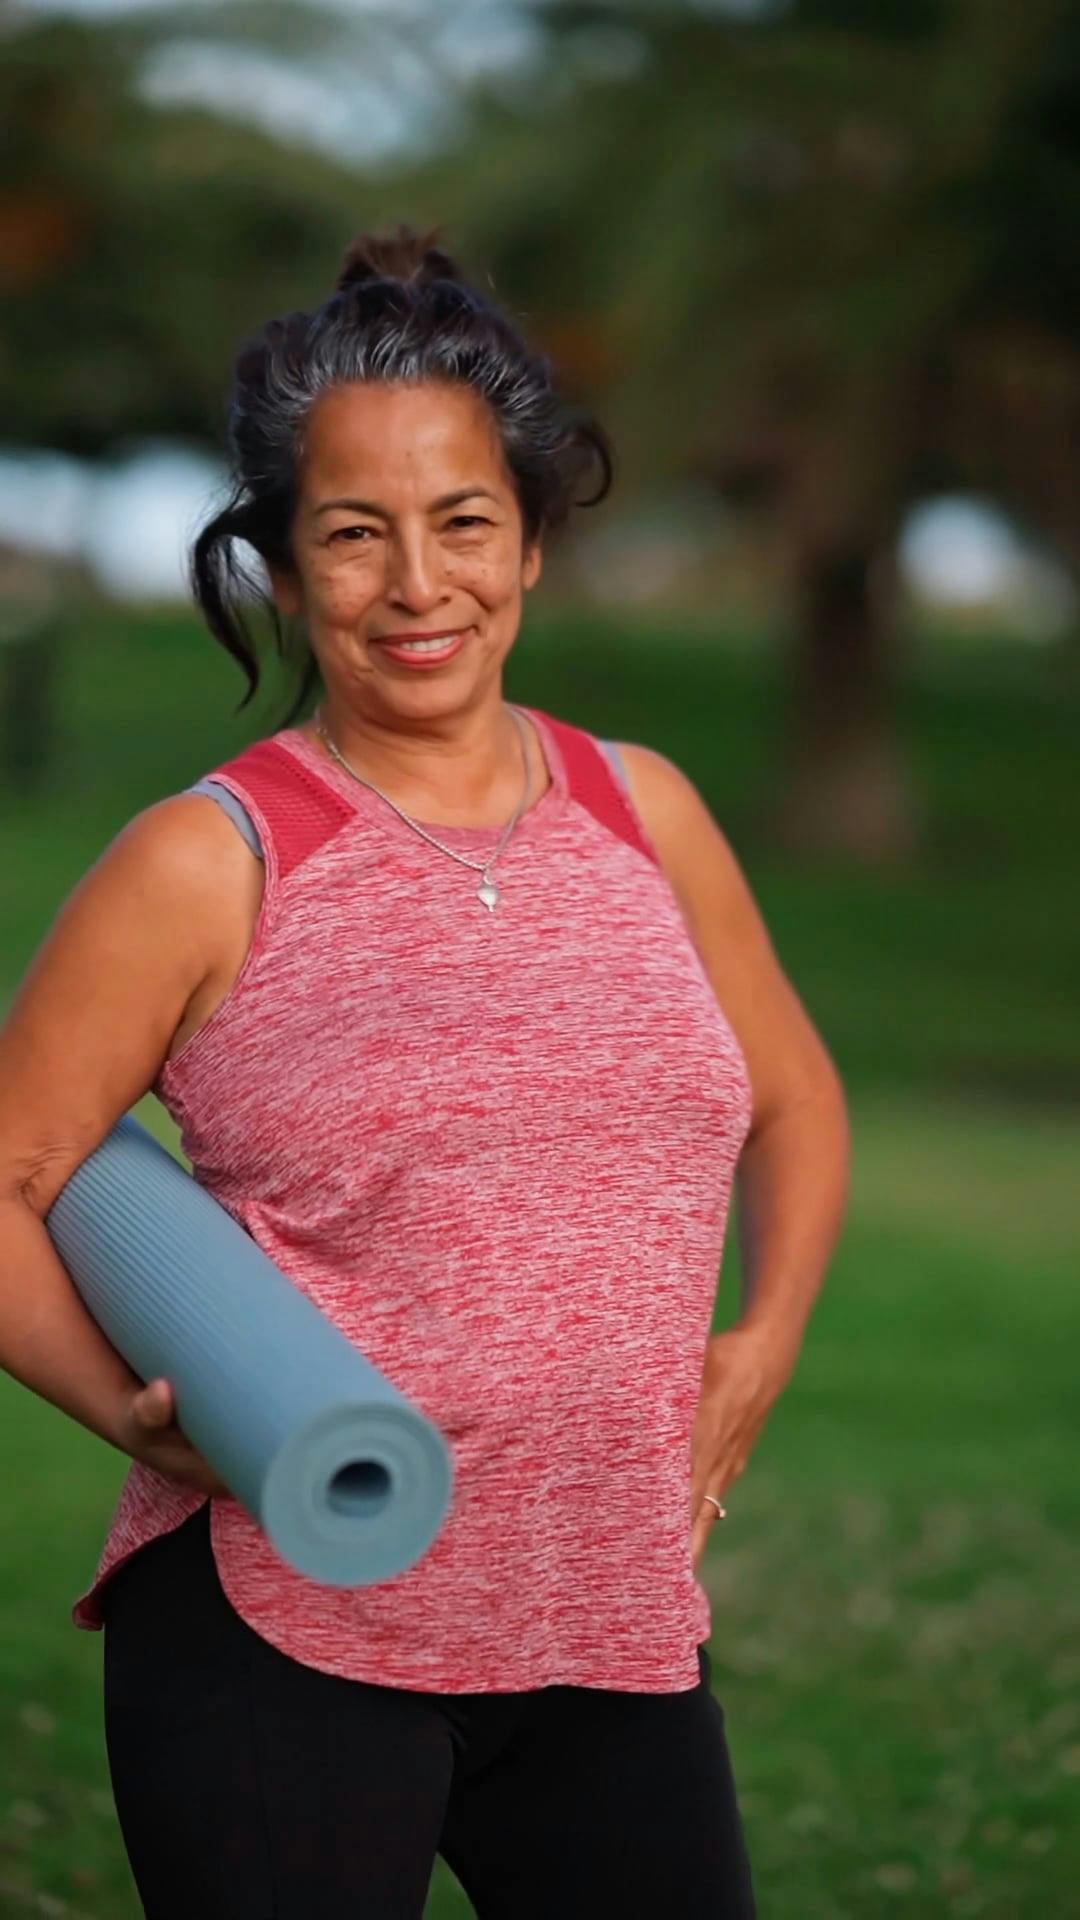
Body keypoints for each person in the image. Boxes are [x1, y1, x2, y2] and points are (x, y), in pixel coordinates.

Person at [0, 223, 850, 1918]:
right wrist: (124, 1411)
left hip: (609, 1624)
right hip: (288, 1619)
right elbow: (11, 1166)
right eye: (352, 535)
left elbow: (796, 1097)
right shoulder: (208, 860)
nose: (415, 585)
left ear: (532, 542)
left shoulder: (645, 811)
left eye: (464, 524)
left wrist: (763, 1341)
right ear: (283, 565)